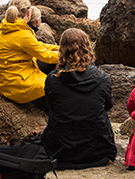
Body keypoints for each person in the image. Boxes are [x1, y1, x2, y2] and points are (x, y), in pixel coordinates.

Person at [41, 29, 117, 169]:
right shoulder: (103, 78)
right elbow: (108, 105)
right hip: (99, 151)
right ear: (87, 48)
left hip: (60, 151)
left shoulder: (53, 79)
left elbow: (50, 106)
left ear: (62, 49)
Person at [0, 0, 59, 108]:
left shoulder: (6, 29)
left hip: (7, 80)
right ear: (28, 13)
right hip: (19, 83)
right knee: (58, 87)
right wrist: (69, 54)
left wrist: (59, 48)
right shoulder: (23, 34)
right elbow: (46, 56)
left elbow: (38, 46)